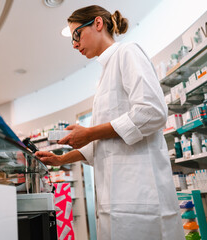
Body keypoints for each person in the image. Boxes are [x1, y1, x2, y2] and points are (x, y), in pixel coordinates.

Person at [35, 5, 184, 240]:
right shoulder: (104, 76)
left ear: (97, 24)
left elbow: (152, 112)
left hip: (142, 197)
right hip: (115, 200)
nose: (74, 45)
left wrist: (91, 132)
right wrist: (61, 159)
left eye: (76, 35)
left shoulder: (127, 52)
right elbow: (105, 145)